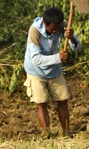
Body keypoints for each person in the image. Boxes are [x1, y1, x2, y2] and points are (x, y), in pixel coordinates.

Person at [24, 7, 81, 137]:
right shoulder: (35, 31)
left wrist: (71, 38)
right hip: (36, 71)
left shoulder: (64, 26)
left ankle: (67, 134)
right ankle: (46, 134)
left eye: (57, 29)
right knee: (41, 103)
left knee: (62, 100)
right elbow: (35, 59)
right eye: (52, 29)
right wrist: (58, 58)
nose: (55, 31)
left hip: (54, 70)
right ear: (45, 23)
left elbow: (77, 48)